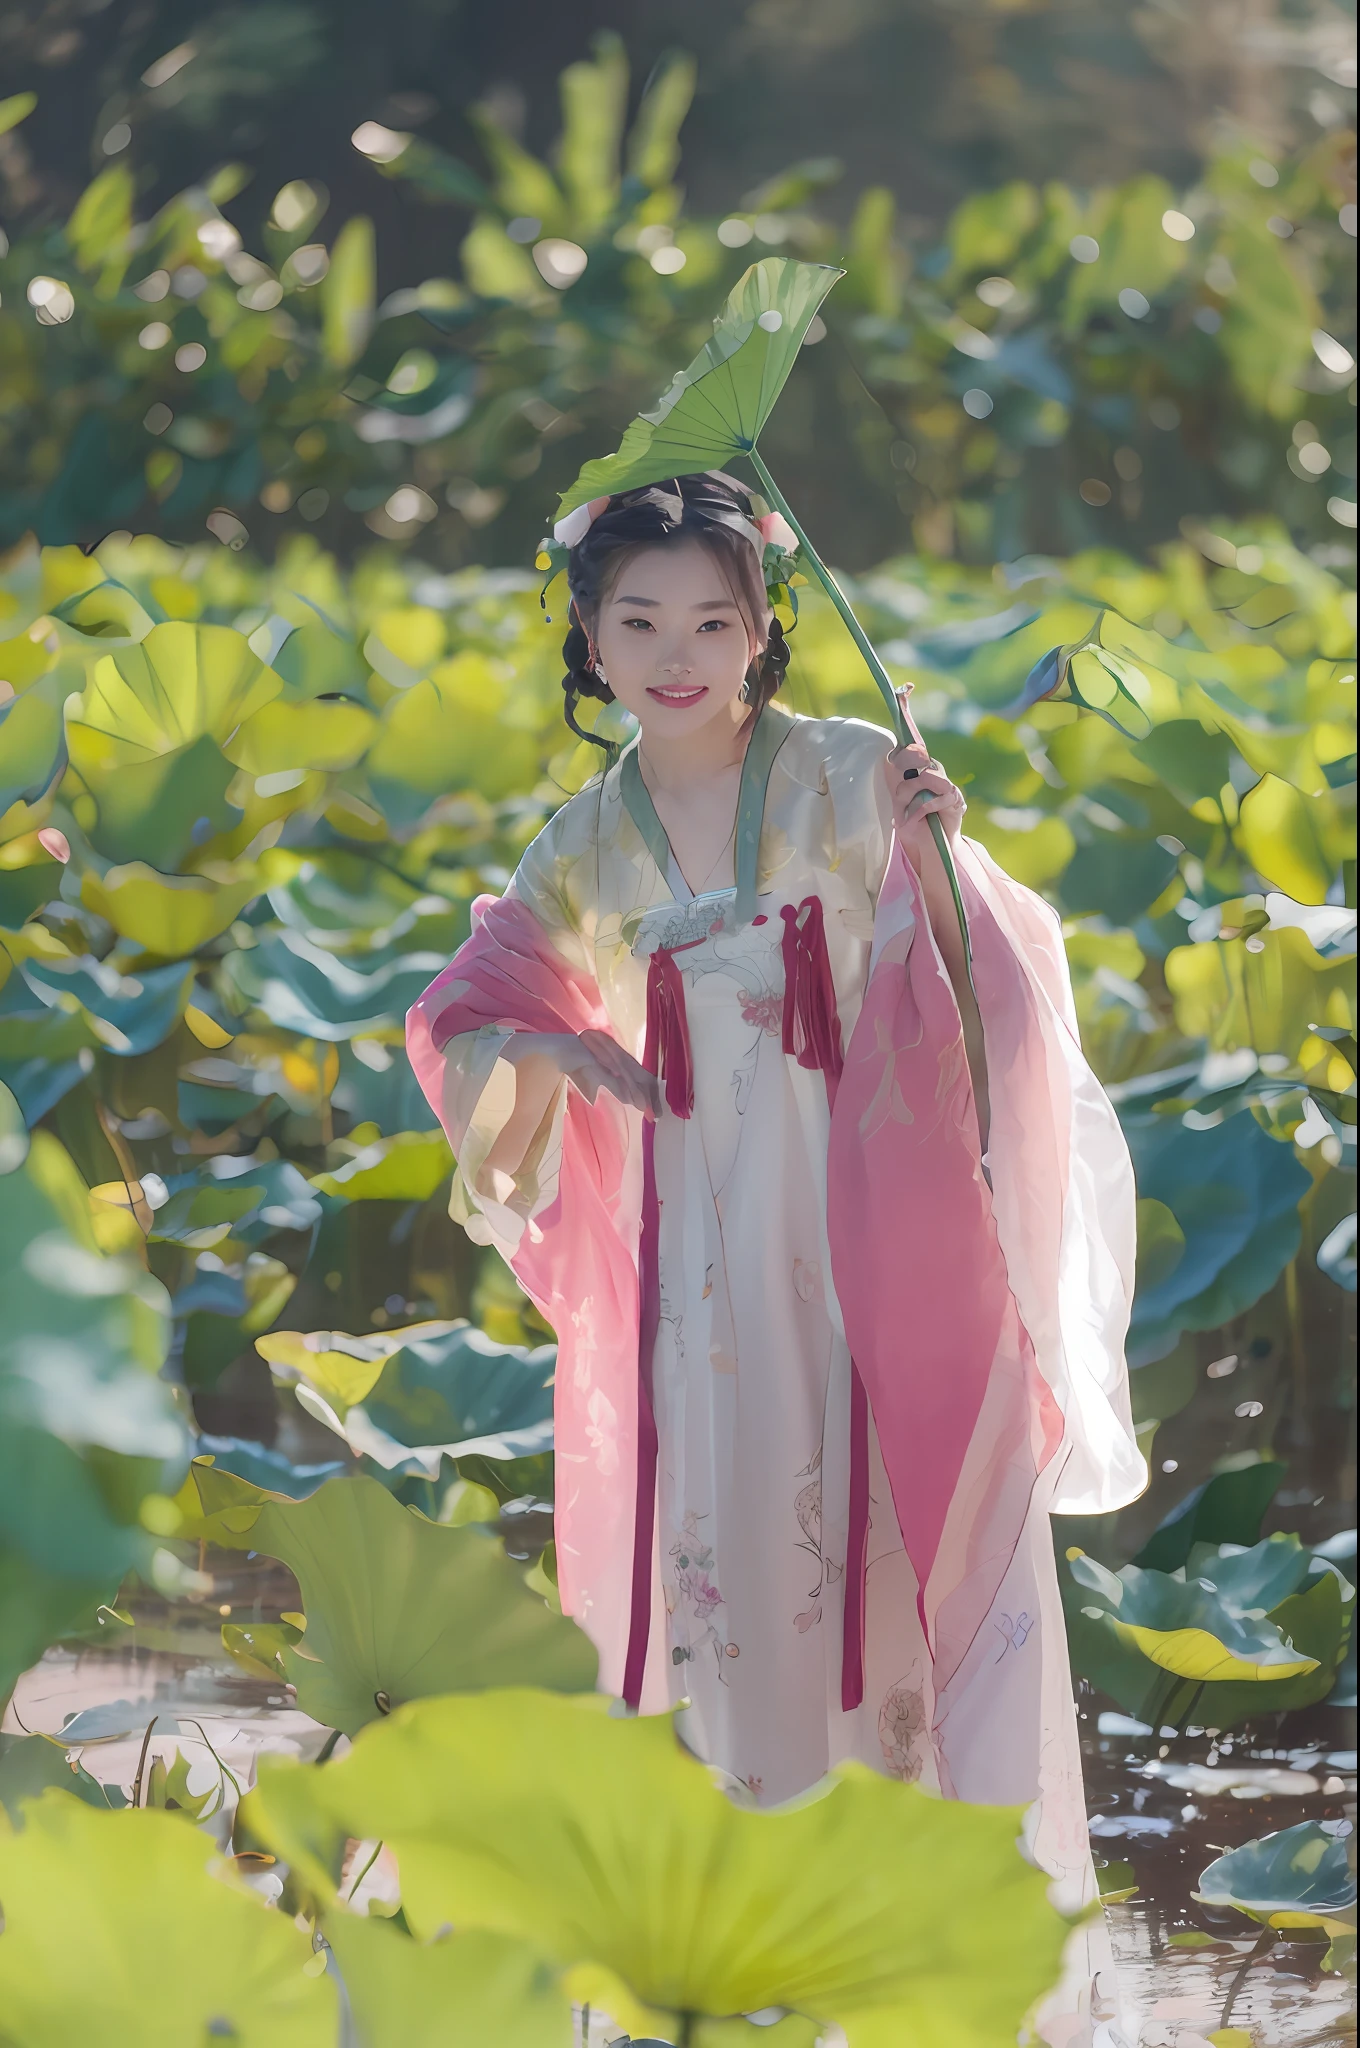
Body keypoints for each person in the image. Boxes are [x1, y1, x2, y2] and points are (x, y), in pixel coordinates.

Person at [407, 471, 1145, 2014]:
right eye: (638, 620)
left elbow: (983, 988)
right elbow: (467, 1015)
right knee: (732, 1541)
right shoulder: (585, 839)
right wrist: (560, 1060)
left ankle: (910, 1923)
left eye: (712, 620)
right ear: (589, 642)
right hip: (701, 1272)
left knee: (886, 1535)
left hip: (866, 1237)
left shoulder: (854, 770)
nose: (676, 651)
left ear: (764, 635)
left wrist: (946, 860)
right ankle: (741, 1918)